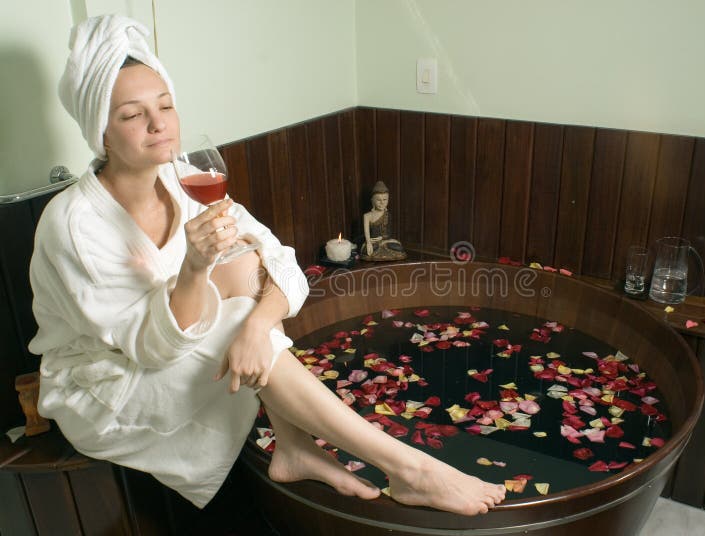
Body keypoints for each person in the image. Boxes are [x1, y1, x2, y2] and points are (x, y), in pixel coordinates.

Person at [29, 14, 505, 514]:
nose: (158, 124)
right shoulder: (74, 226)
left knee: (245, 271)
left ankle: (295, 446)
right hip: (107, 388)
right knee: (231, 297)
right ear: (100, 132)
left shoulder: (183, 179)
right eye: (132, 115)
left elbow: (281, 263)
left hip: (169, 351)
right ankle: (411, 470)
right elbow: (150, 352)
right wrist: (195, 268)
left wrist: (258, 324)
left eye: (165, 105)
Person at [361, 180, 407, 261]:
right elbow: (367, 233)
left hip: (385, 242)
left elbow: (388, 233)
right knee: (367, 250)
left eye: (385, 199)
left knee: (399, 248)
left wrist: (382, 238)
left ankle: (383, 251)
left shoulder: (388, 215)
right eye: (378, 200)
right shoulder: (367, 216)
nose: (382, 203)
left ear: (388, 200)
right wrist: (368, 243)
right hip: (373, 243)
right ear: (372, 201)